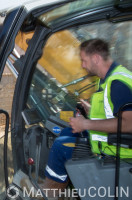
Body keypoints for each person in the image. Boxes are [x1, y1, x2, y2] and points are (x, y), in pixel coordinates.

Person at [43, 38, 132, 196]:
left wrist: (86, 124)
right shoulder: (109, 79)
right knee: (67, 133)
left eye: (84, 60)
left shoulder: (117, 84)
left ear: (96, 58)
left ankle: (49, 195)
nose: (83, 65)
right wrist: (90, 112)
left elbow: (129, 124)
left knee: (60, 146)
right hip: (112, 142)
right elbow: (114, 111)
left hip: (119, 151)